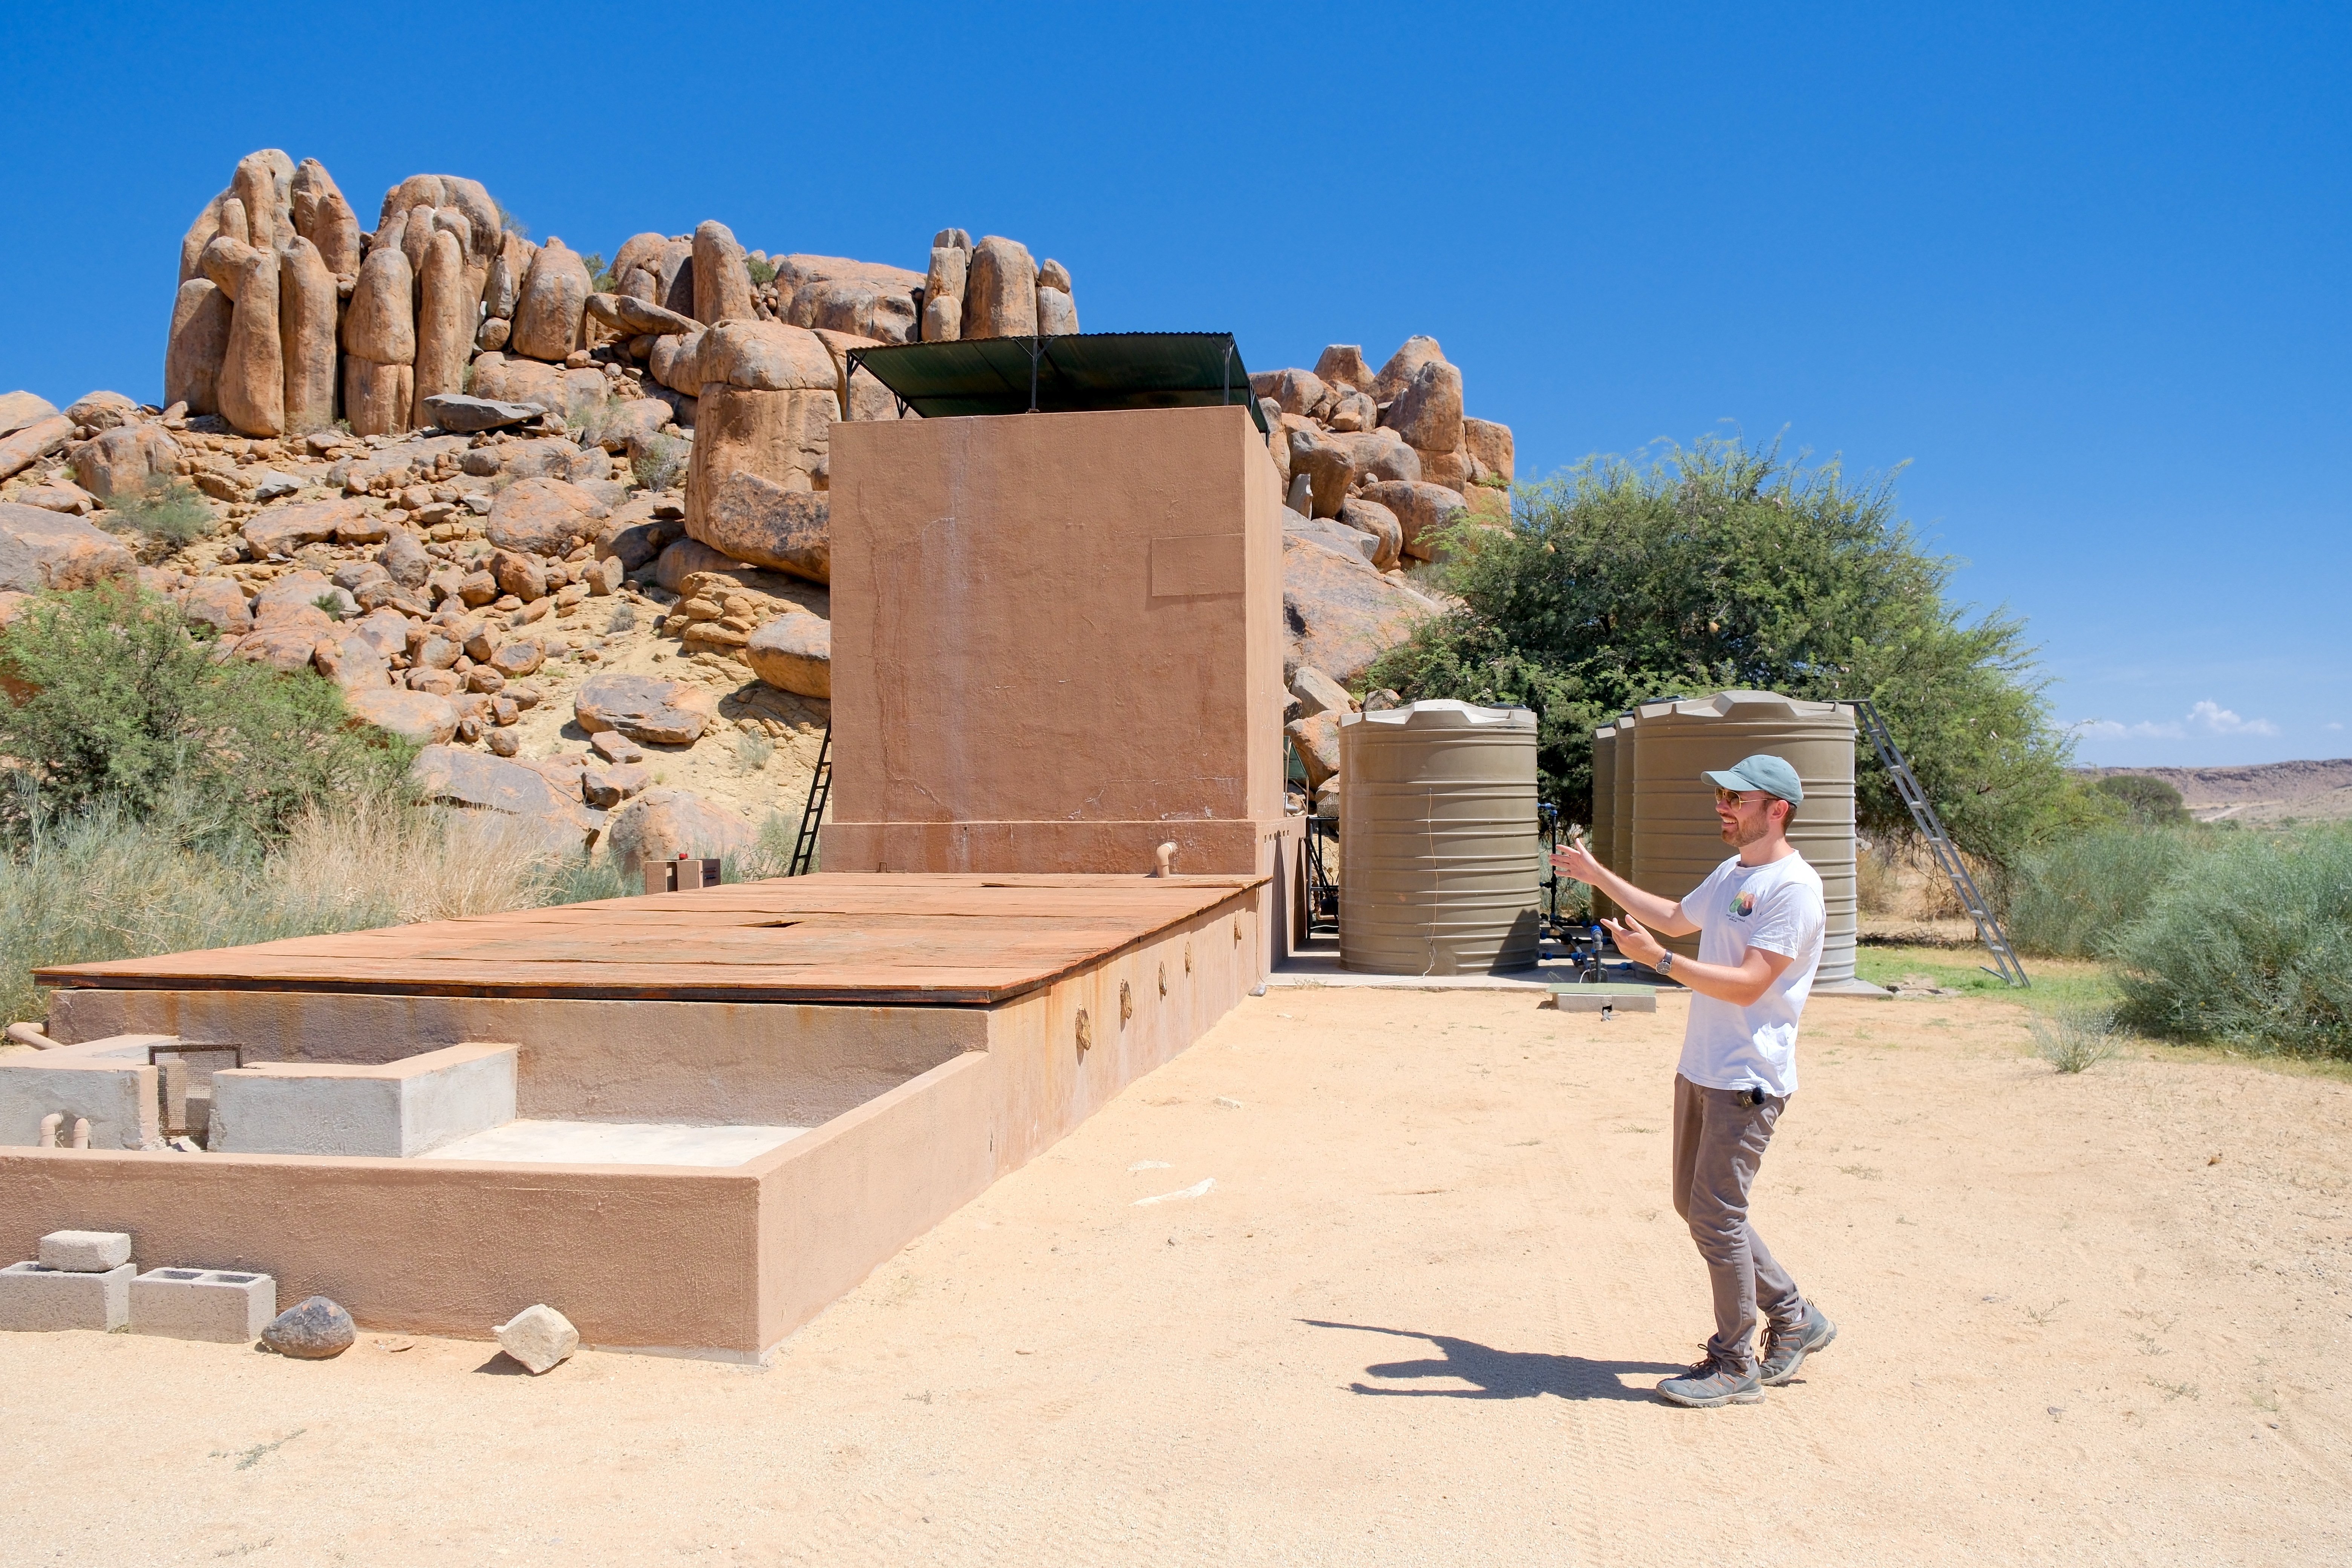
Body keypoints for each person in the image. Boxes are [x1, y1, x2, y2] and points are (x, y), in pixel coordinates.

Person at [1549, 753, 1838, 1408]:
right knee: (1700, 1207)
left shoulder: (1793, 888)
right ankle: (1795, 1317)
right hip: (1704, 1066)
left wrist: (1661, 962)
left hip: (1748, 1078)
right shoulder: (1736, 871)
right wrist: (1599, 876)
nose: (1723, 806)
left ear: (1777, 810)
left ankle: (1735, 1364)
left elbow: (1752, 984)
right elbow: (1677, 916)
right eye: (1722, 796)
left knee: (1718, 1214)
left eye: (1737, 798)